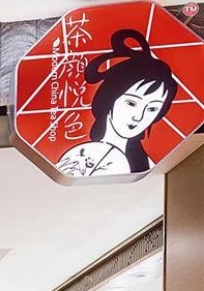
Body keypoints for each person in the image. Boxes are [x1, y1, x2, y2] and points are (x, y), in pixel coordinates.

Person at [55, 29, 178, 179]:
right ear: (109, 98)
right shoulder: (70, 156)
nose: (139, 117)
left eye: (152, 109)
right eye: (131, 103)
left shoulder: (149, 168)